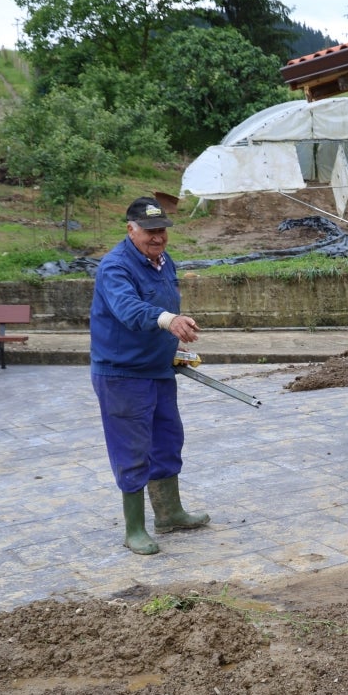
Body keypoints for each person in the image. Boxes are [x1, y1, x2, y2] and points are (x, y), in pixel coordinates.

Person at [90, 196, 209, 554]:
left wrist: (174, 348)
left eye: (162, 231)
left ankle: (170, 513)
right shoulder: (115, 267)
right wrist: (169, 321)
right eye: (149, 232)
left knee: (167, 440)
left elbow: (164, 305)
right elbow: (129, 309)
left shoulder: (162, 262)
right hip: (123, 375)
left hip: (158, 370)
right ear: (131, 230)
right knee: (132, 450)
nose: (157, 238)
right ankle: (134, 529)